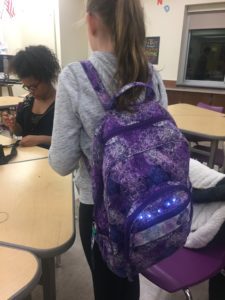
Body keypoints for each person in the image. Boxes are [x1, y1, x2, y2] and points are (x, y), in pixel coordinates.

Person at [49, 1, 168, 299]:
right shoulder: (151, 75)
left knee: (107, 288)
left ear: (91, 22)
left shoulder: (75, 77)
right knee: (130, 276)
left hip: (100, 209)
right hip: (146, 203)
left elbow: (61, 162)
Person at [2, 45, 60, 149]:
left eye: (34, 86)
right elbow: (20, 132)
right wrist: (14, 125)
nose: (31, 91)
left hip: (52, 161)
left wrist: (40, 139)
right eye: (27, 87)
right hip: (29, 161)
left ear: (47, 76)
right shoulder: (28, 102)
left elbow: (71, 140)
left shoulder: (62, 104)